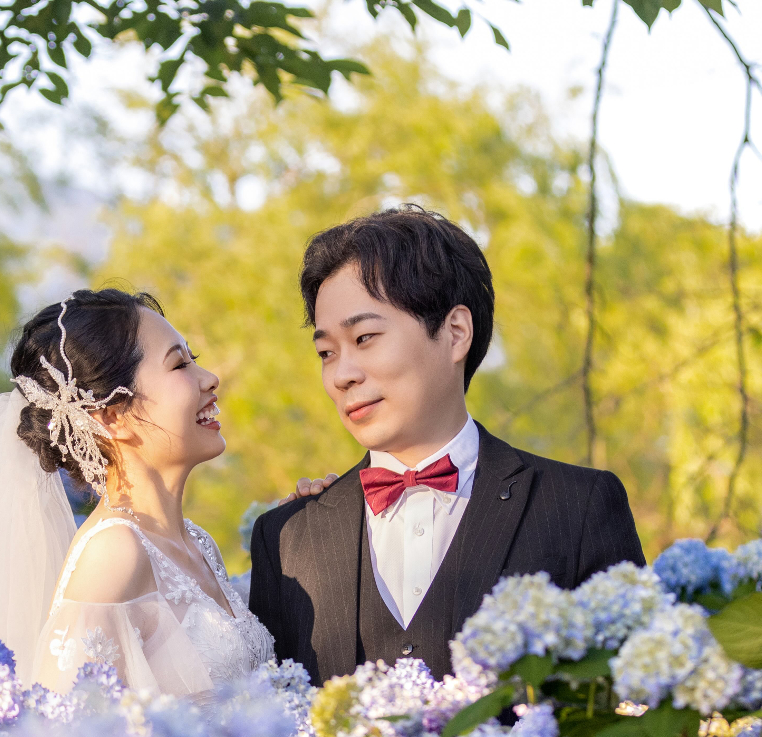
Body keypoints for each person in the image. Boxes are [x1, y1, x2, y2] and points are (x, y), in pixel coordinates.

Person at [248, 205, 646, 683]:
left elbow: (634, 717)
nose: (342, 375)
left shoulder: (578, 507)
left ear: (456, 334)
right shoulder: (287, 538)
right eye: (326, 352)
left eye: (365, 337)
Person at [0, 288, 273, 699]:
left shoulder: (197, 542)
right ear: (114, 417)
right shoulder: (115, 553)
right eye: (179, 364)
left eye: (194, 360)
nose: (209, 379)